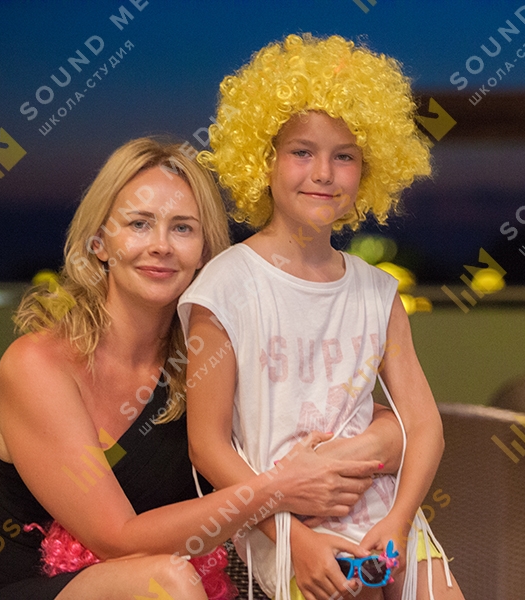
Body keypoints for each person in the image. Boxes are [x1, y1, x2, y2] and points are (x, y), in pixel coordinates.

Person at [0, 137, 404, 600]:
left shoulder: (209, 359)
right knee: (166, 581)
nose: (161, 246)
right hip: (32, 589)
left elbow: (384, 426)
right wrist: (277, 488)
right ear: (99, 242)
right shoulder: (37, 365)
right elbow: (116, 539)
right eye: (139, 224)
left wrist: (343, 457)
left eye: (183, 228)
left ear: (205, 253)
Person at [180, 35, 465, 600]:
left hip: (388, 516)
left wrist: (399, 522)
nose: (324, 173)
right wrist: (292, 537)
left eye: (345, 156)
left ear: (368, 169)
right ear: (264, 161)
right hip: (281, 523)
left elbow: (424, 426)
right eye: (302, 152)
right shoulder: (226, 285)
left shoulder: (377, 293)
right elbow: (207, 447)